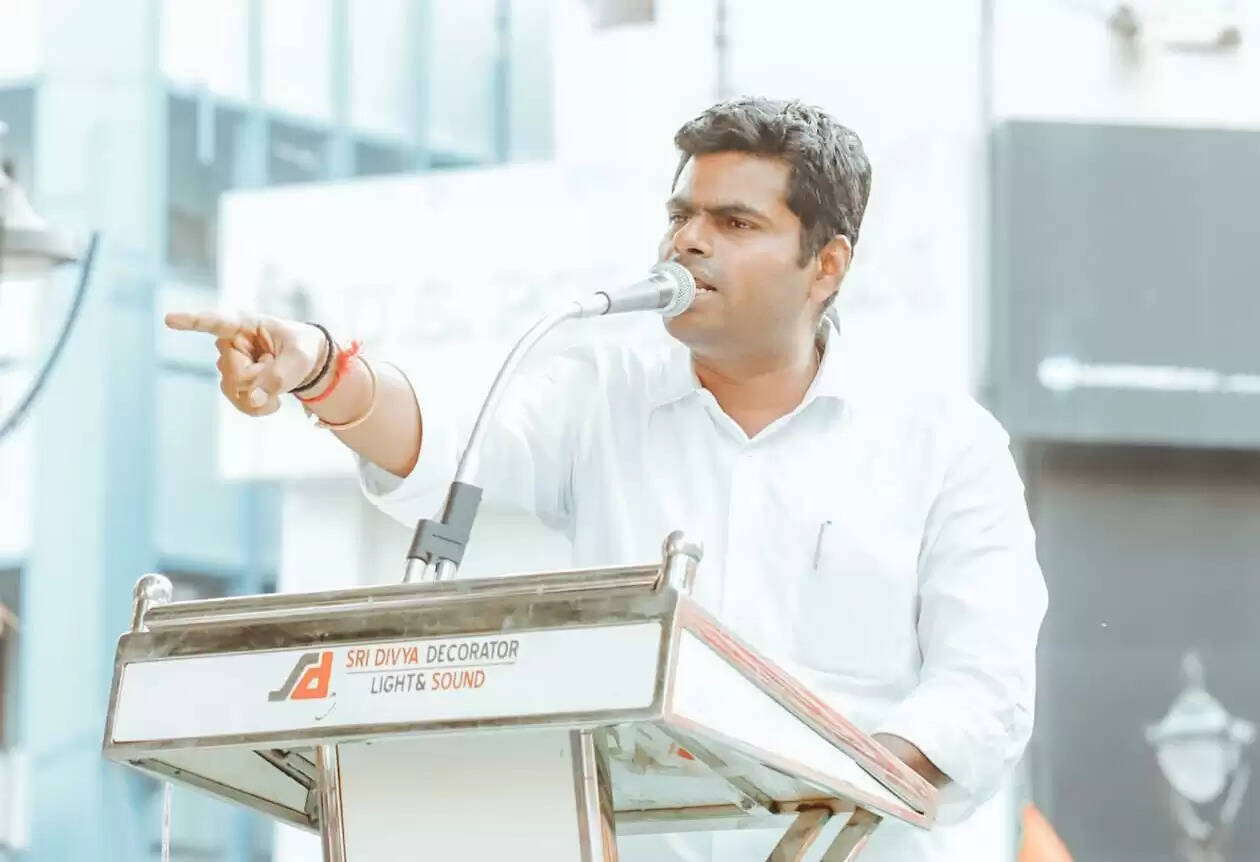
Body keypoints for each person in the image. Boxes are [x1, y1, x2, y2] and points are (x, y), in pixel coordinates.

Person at [167, 97, 1047, 861]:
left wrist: (823, 785)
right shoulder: (599, 394)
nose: (689, 241)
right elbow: (449, 444)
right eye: (681, 215)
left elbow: (985, 692)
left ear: (827, 266)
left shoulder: (945, 445)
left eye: (736, 224)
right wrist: (321, 369)